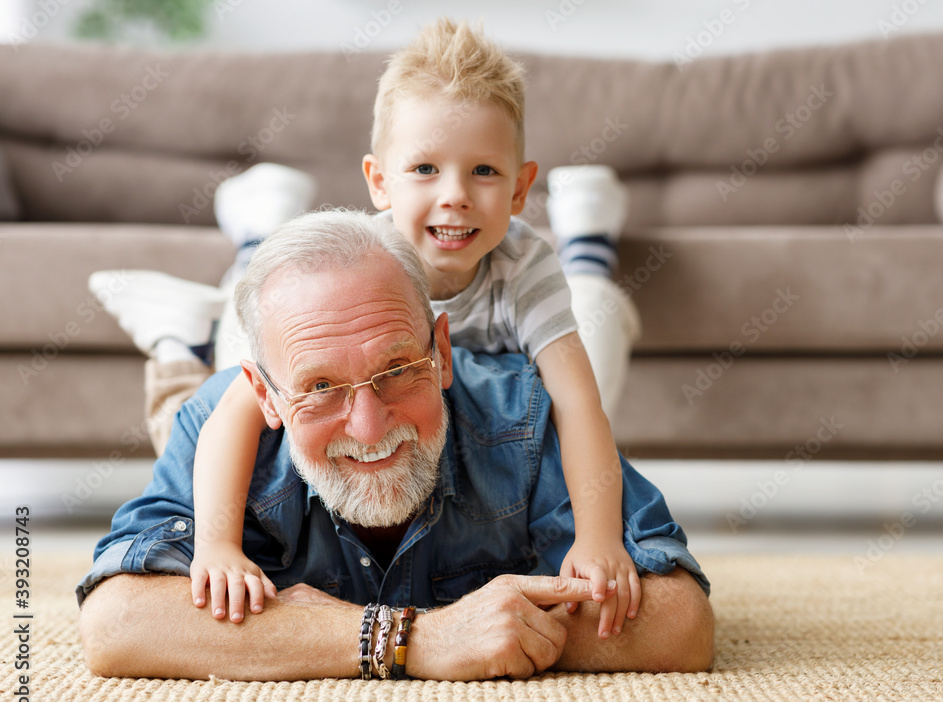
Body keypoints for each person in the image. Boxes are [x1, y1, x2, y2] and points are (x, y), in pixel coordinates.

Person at [88, 19, 643, 638]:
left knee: (591, 331)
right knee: (199, 412)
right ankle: (212, 300)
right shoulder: (363, 260)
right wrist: (217, 545)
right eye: (425, 168)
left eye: (484, 172)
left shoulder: (524, 265)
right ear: (379, 182)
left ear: (519, 189)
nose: (455, 195)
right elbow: (241, 409)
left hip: (458, 441)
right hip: (289, 395)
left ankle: (591, 246)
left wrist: (597, 539)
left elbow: (578, 401)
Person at [76, 209, 712, 681]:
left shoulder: (522, 412)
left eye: (396, 370)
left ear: (441, 352)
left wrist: (495, 630)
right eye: (321, 387)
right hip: (219, 402)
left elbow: (678, 620)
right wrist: (421, 640)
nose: (370, 426)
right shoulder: (218, 420)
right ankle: (178, 337)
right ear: (266, 397)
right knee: (177, 400)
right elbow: (118, 621)